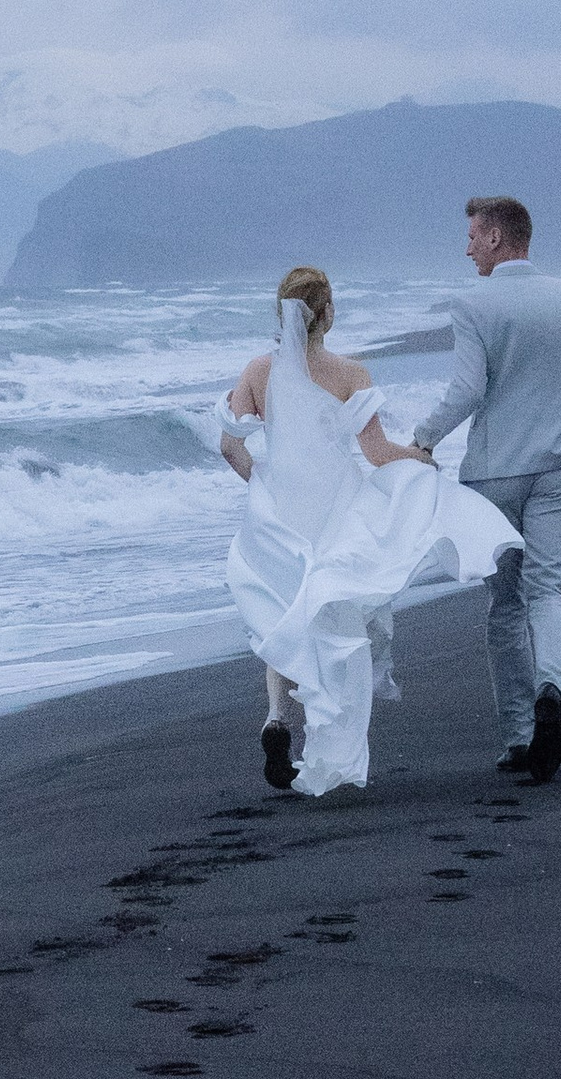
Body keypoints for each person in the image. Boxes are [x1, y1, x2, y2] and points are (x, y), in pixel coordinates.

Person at [217, 264, 517, 797]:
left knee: (287, 613)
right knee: (333, 611)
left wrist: (259, 486)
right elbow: (379, 456)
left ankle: (276, 718)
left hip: (281, 509)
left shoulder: (259, 370)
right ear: (327, 313)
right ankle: (322, 734)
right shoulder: (350, 374)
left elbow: (230, 445)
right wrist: (420, 459)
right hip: (336, 505)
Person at [400, 196, 561, 783]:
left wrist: (423, 439)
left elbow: (468, 390)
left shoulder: (472, 304)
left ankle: (520, 735)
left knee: (505, 605)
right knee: (550, 591)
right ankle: (553, 691)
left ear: (496, 237)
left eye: (472, 235)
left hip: (494, 476)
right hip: (559, 469)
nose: (466, 246)